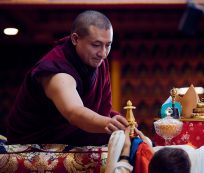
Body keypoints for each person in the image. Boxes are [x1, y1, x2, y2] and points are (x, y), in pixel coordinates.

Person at [6, 10, 128, 146]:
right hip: (36, 141)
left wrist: (120, 124)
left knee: (131, 139)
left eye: (108, 45)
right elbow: (74, 112)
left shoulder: (97, 61)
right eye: (96, 45)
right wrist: (108, 123)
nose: (103, 53)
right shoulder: (57, 71)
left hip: (74, 131)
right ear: (75, 39)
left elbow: (101, 110)